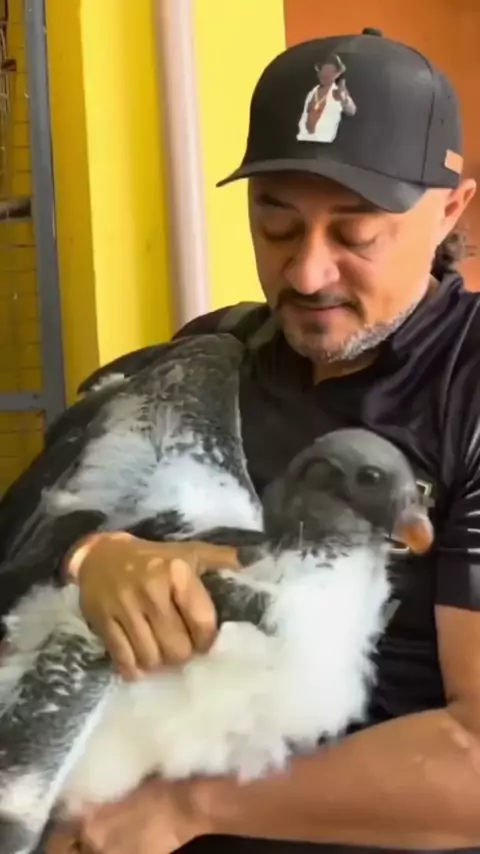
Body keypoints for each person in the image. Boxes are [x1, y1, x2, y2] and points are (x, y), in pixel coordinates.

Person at [27, 25, 480, 854]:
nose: (306, 273)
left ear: (450, 208)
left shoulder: (468, 393)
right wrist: (93, 560)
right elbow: (24, 543)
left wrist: (184, 810)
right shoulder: (206, 358)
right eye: (276, 223)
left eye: (356, 235)